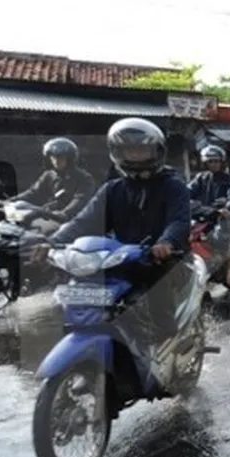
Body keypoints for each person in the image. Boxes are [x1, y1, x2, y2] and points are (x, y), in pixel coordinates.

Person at [38, 118, 193, 352]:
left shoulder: (173, 186)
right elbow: (83, 222)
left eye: (142, 150)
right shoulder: (112, 190)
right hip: (121, 259)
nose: (136, 156)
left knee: (156, 289)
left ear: (157, 151)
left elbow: (178, 221)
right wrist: (51, 242)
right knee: (85, 285)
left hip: (163, 259)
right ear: (118, 153)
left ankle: (168, 342)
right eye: (130, 150)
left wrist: (166, 242)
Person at [1, 137, 96, 235]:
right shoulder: (49, 175)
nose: (56, 160)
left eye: (60, 157)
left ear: (70, 159)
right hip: (49, 215)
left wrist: (64, 214)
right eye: (53, 157)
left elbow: (79, 201)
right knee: (17, 221)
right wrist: (10, 200)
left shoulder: (84, 178)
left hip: (72, 221)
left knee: (39, 233)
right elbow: (33, 192)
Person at [189, 145, 230, 285]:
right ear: (205, 163)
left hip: (221, 216)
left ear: (221, 162)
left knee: (220, 236)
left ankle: (229, 270)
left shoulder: (229, 179)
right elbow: (186, 192)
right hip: (203, 213)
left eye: (216, 161)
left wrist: (228, 207)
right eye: (210, 161)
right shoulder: (200, 178)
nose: (213, 164)